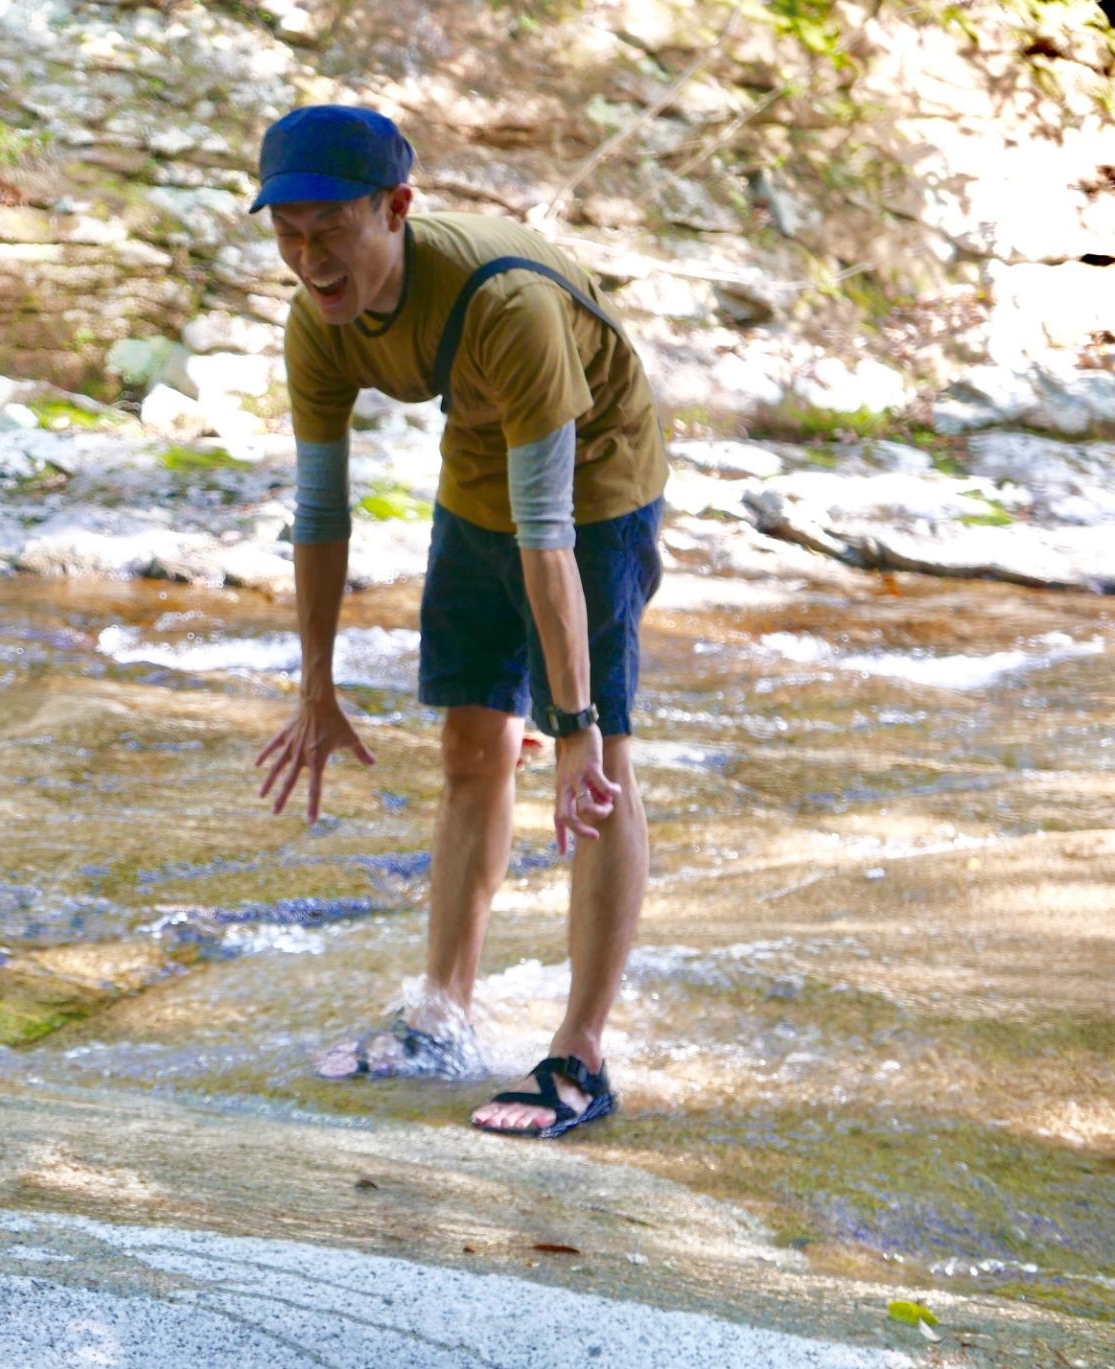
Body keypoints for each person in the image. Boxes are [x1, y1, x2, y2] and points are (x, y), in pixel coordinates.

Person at [249, 106, 668, 1140]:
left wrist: (568, 724)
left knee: (599, 764)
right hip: (480, 465)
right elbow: (318, 512)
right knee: (471, 743)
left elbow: (548, 533)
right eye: (285, 233)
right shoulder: (316, 324)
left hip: (596, 481)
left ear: (395, 209)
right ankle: (441, 1010)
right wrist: (314, 683)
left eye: (327, 232)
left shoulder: (505, 304)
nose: (306, 260)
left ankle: (579, 1053)